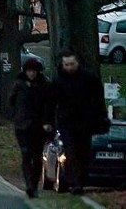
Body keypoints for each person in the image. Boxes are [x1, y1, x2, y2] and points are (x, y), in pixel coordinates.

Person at [44, 49, 107, 195]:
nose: (69, 67)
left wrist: (101, 116)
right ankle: (75, 183)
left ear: (77, 63)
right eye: (66, 64)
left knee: (84, 152)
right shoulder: (58, 81)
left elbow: (98, 99)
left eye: (72, 64)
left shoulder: (89, 79)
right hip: (67, 122)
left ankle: (80, 179)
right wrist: (48, 121)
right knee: (71, 152)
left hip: (85, 121)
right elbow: (50, 103)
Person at [9, 57, 49, 198]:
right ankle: (29, 185)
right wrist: (16, 115)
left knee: (37, 156)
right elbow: (12, 101)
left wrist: (46, 122)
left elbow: (48, 105)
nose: (31, 74)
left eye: (34, 71)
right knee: (26, 154)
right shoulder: (19, 84)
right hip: (22, 125)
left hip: (38, 126)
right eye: (29, 71)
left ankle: (34, 183)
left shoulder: (43, 85)